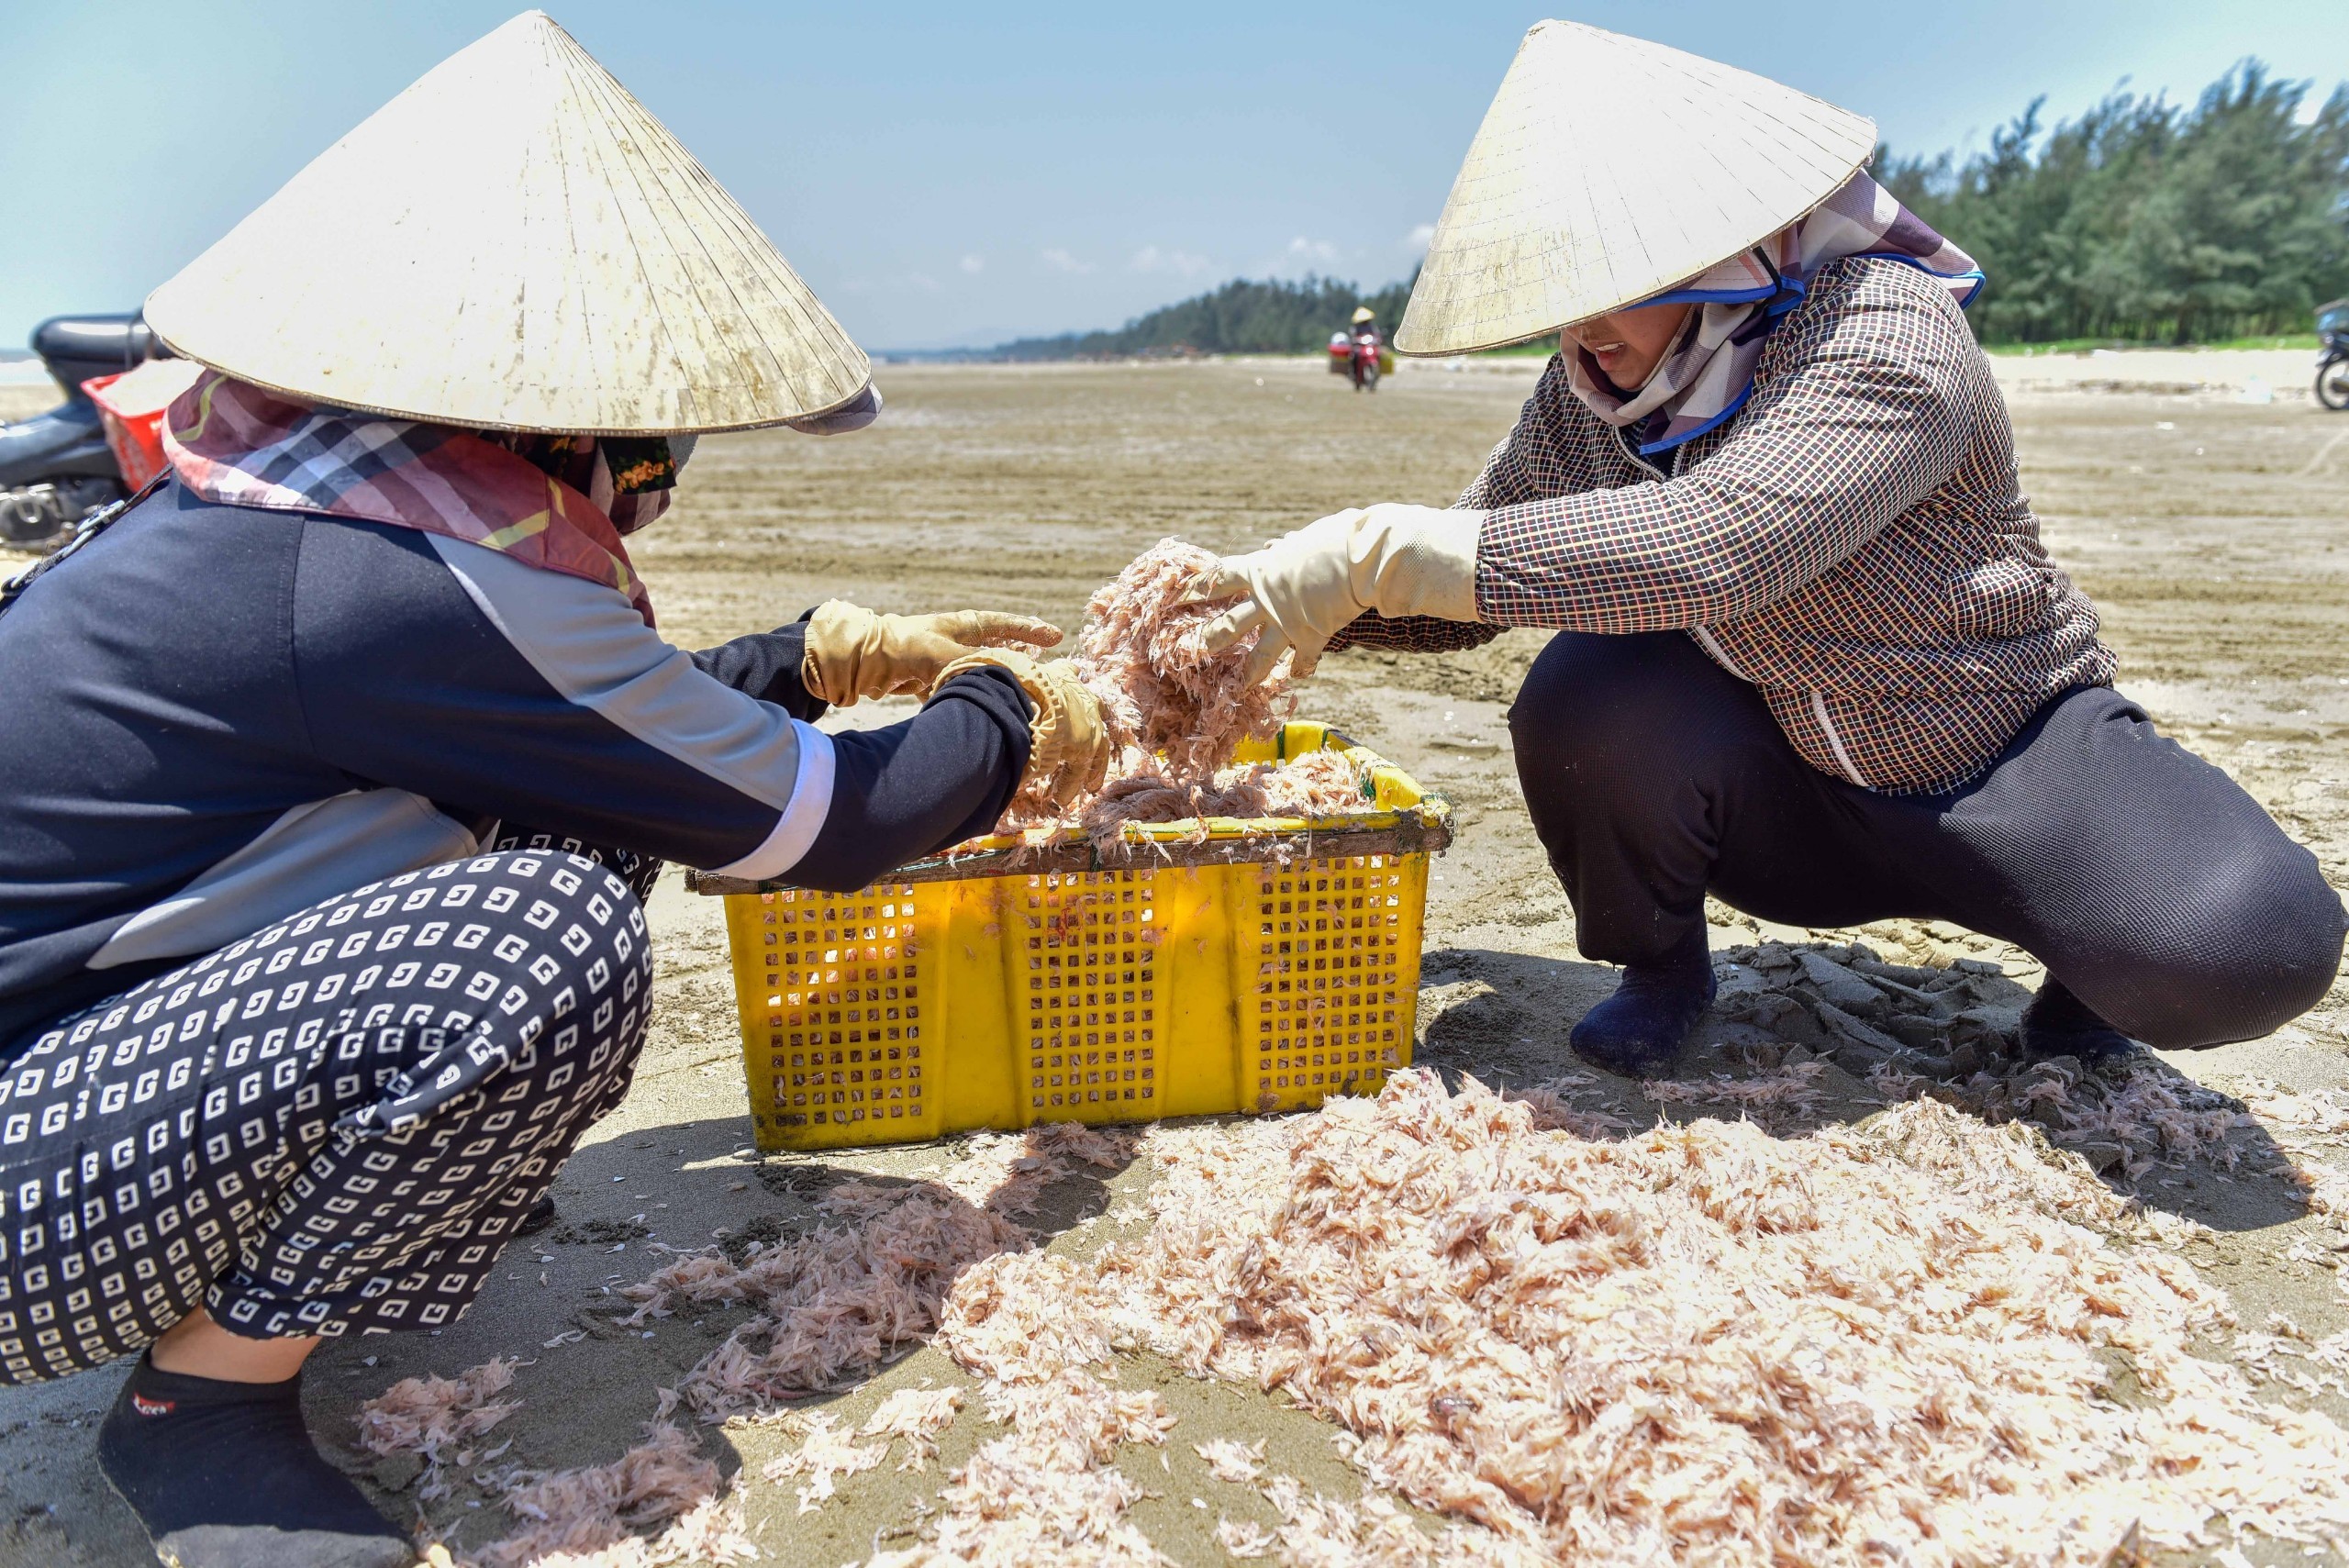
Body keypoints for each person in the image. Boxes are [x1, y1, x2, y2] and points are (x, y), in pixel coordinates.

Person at [0, 17, 1101, 1567]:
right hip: (23, 1183)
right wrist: (1017, 710)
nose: (647, 492)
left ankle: (355, 1219)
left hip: (77, 1064)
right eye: (651, 459)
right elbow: (830, 827)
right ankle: (204, 1405)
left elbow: (588, 742)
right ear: (571, 431)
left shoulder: (311, 501)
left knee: (595, 820)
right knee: (544, 936)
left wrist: (811, 658)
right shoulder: (419, 580)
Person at [1179, 21, 2344, 1077]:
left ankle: (2086, 966)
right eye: (1564, 297)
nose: (1583, 327)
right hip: (1782, 779)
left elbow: (1720, 544)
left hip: (2001, 745)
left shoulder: (1885, 331)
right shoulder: (1588, 390)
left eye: (1618, 285)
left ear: (1724, 251)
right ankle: (1661, 964)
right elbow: (1475, 579)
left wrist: (1361, 556)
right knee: (1586, 693)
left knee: (2251, 939)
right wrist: (1268, 607)